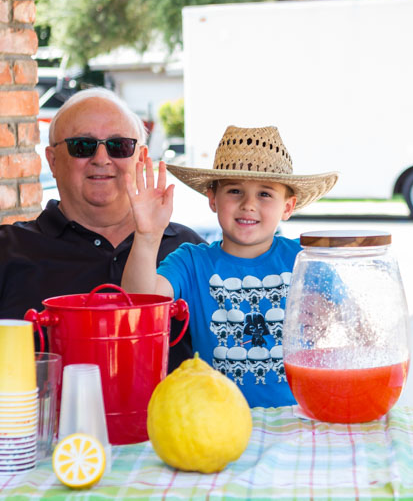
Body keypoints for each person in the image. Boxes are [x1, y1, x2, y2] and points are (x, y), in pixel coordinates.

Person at [0, 88, 203, 360]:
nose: (102, 159)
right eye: (83, 146)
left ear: (141, 157)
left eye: (119, 145)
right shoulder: (0, 254)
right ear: (52, 160)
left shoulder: (189, 253)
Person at [121, 125, 338, 407]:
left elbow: (358, 330)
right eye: (235, 190)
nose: (248, 204)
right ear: (213, 199)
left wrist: (329, 321)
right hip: (216, 420)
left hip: (299, 417)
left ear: (288, 206)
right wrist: (148, 235)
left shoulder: (307, 259)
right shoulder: (191, 262)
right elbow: (138, 306)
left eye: (265, 194)